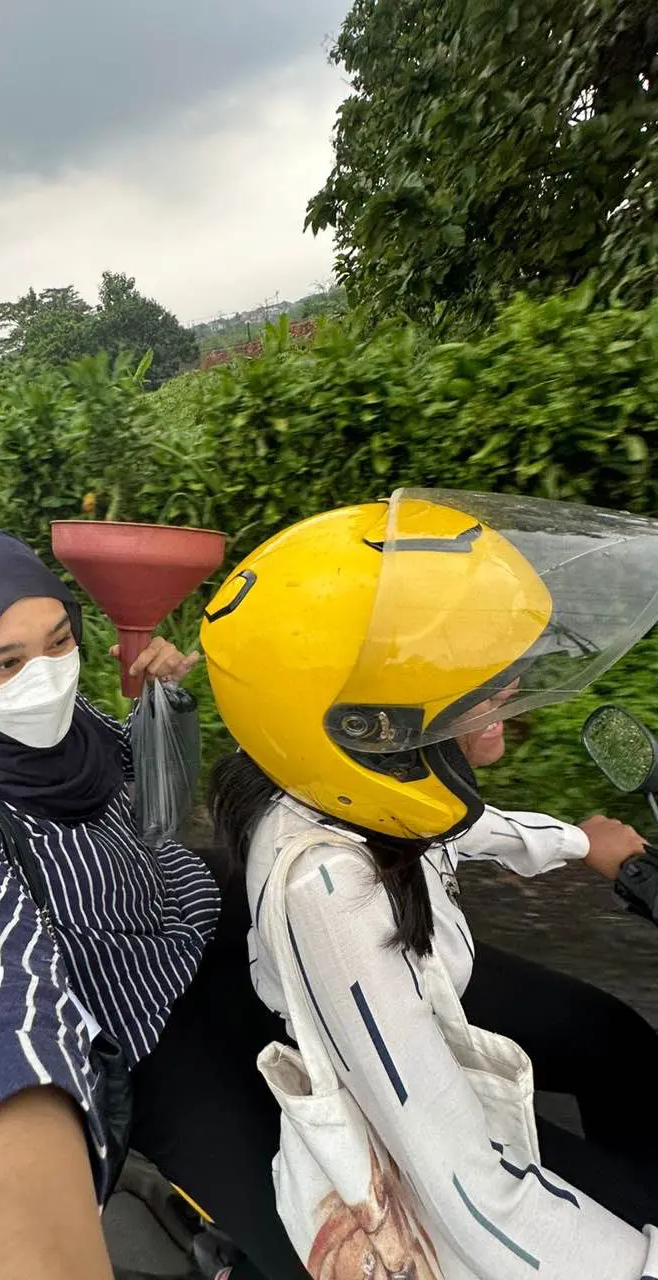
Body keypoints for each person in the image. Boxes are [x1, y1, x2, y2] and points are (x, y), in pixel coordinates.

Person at [201, 488, 658, 1279]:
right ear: (368, 728)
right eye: (479, 684)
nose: (508, 696)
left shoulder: (348, 787)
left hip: (431, 992)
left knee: (615, 1039)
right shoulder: (329, 891)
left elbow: (458, 823)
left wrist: (583, 842)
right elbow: (469, 1196)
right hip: (418, 1150)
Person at [0, 528, 307, 1280]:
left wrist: (163, 704)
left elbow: (156, 805)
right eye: (5, 663)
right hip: (139, 1034)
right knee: (311, 1234)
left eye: (60, 641)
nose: (49, 676)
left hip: (182, 921)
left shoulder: (71, 729)